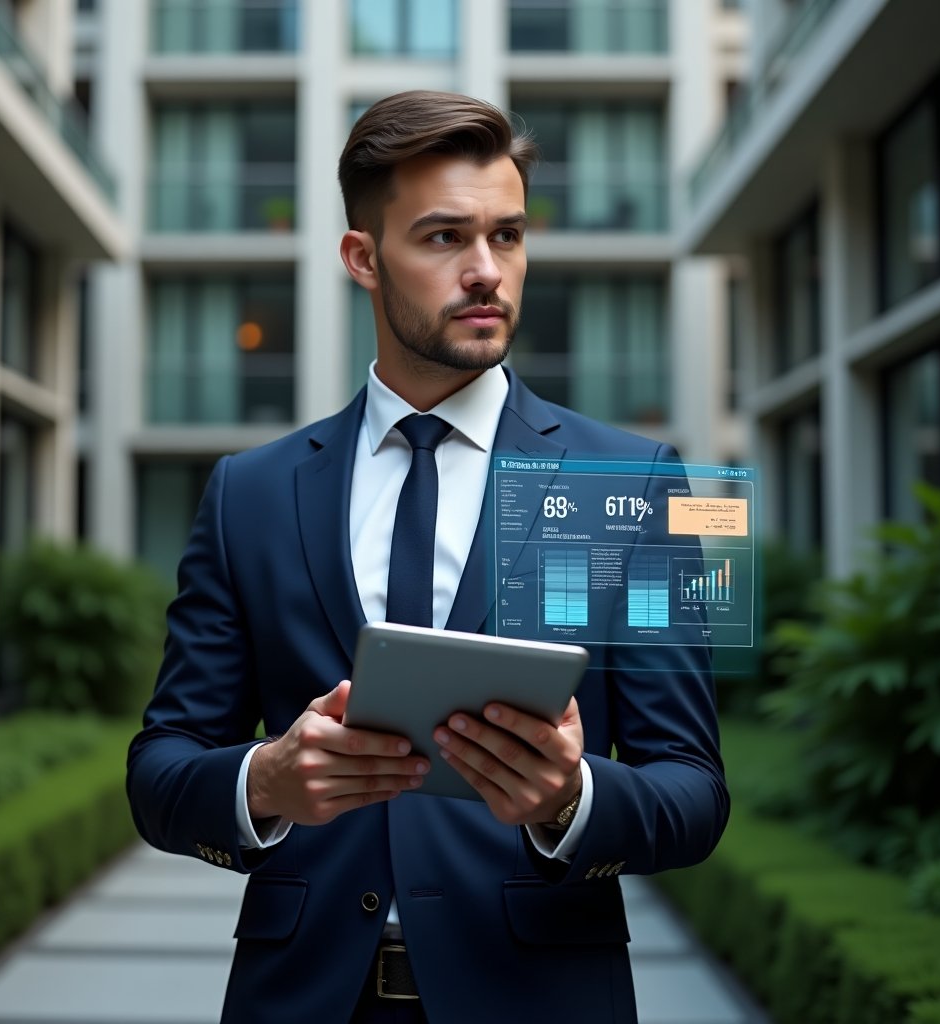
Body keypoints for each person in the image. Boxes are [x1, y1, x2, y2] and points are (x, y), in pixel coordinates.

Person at [126, 90, 729, 1024]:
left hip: (540, 1000)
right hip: (302, 1001)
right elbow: (161, 772)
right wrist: (266, 783)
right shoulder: (249, 492)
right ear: (363, 258)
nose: (488, 272)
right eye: (445, 238)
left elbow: (692, 791)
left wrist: (570, 799)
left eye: (509, 236)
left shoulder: (638, 483)